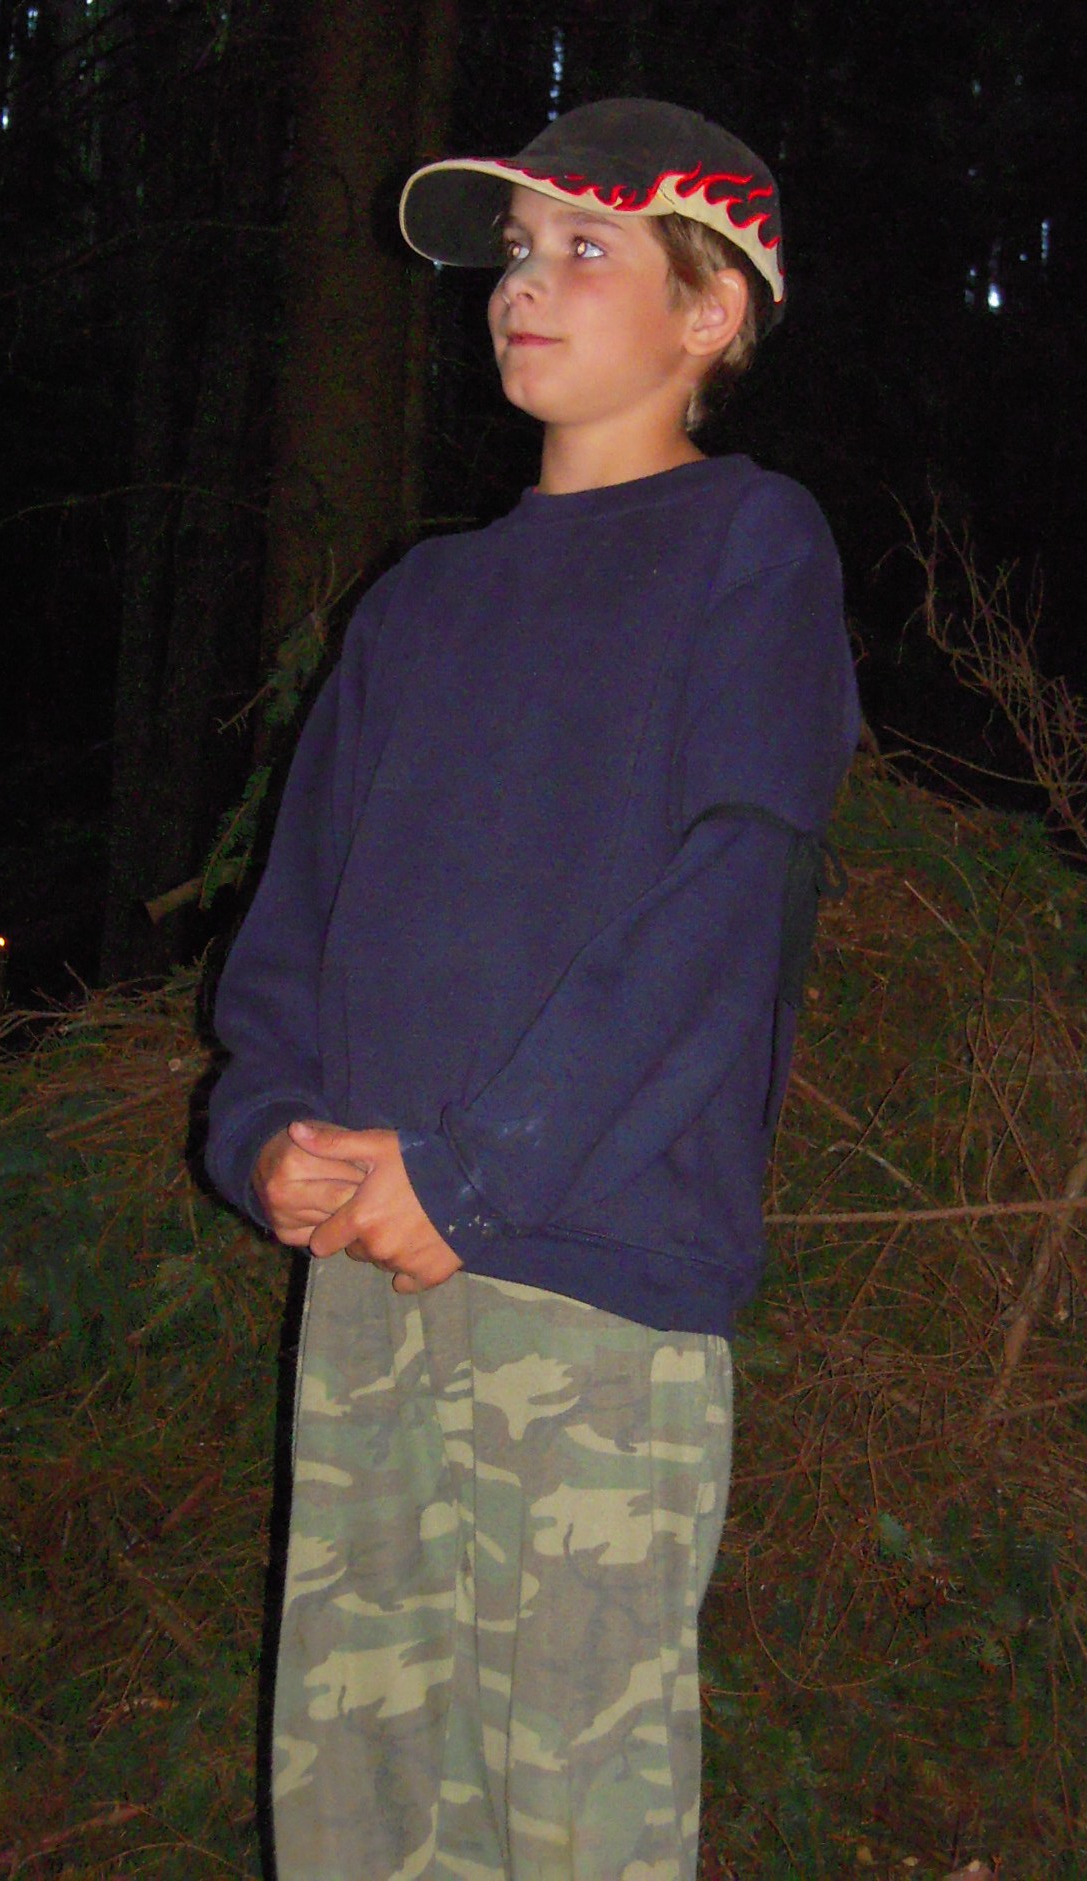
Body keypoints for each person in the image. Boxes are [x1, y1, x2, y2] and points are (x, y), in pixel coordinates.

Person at [205, 96, 860, 1881]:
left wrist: (475, 1176)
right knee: (360, 1807)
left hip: (591, 1284)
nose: (522, 286)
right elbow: (293, 928)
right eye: (512, 254)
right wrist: (267, 1130)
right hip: (368, 1269)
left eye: (585, 248)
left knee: (572, 1826)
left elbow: (726, 905)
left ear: (710, 309)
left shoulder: (752, 546)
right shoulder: (418, 603)